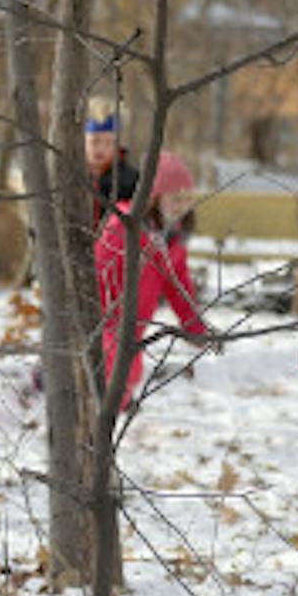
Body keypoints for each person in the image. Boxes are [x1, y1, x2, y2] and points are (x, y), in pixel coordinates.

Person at [95, 150, 211, 407]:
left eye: (187, 198)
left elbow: (179, 287)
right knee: (115, 367)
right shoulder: (125, 226)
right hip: (106, 316)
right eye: (174, 198)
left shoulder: (173, 237)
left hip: (135, 325)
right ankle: (107, 406)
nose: (182, 204)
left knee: (131, 371)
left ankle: (115, 406)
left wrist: (196, 328)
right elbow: (100, 265)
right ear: (154, 197)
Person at [83, 99, 140, 212]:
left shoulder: (130, 180)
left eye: (109, 143)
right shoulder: (70, 174)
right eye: (95, 141)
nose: (101, 149)